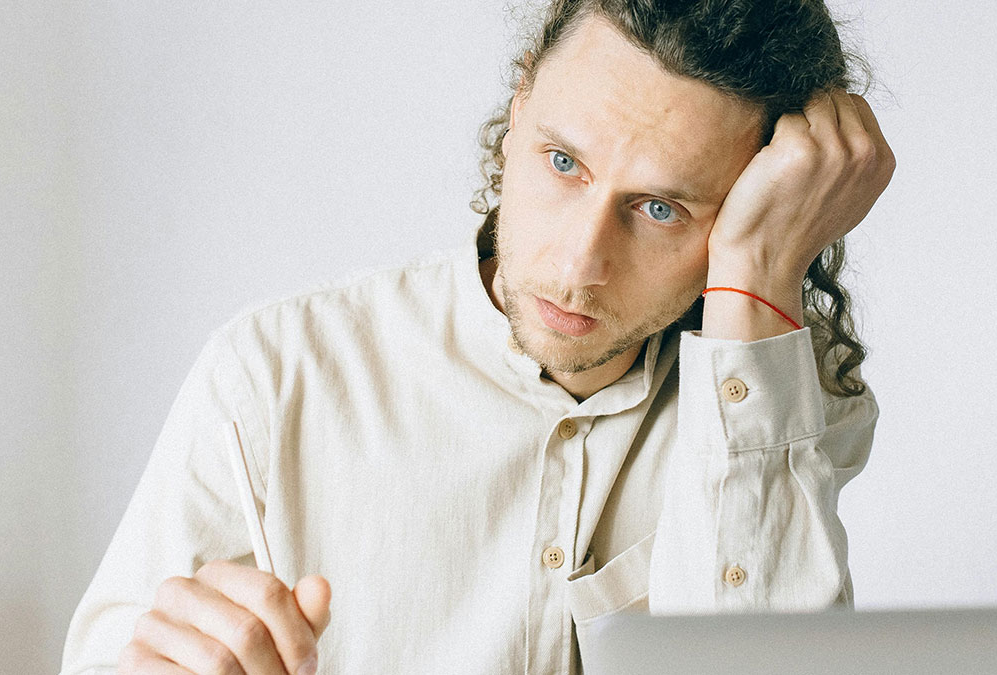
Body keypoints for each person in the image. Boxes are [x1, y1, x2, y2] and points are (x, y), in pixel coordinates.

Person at [61, 0, 894, 672]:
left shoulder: (778, 410)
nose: (579, 263)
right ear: (519, 101)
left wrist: (756, 274)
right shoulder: (275, 377)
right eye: (563, 163)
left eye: (660, 208)